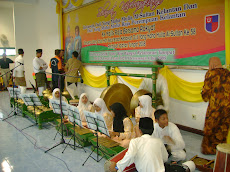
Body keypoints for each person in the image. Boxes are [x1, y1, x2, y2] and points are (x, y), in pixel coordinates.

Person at [201, 57, 230, 155]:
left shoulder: (211, 73)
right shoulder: (228, 73)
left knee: (210, 129)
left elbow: (205, 93)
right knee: (223, 129)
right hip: (227, 108)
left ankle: (209, 150)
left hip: (215, 109)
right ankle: (221, 151)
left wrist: (204, 95)